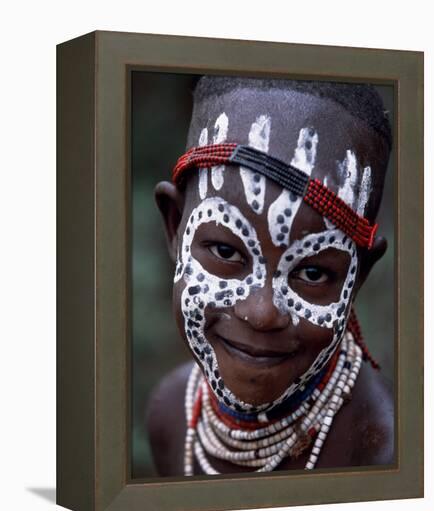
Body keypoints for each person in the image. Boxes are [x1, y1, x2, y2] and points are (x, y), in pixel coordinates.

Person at [147, 76, 394, 476]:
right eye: (226, 251)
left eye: (313, 272)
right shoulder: (169, 413)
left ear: (357, 277)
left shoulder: (387, 453)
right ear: (176, 226)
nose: (262, 312)